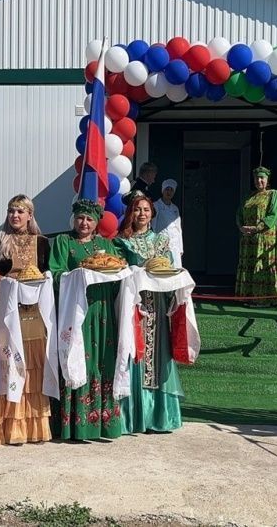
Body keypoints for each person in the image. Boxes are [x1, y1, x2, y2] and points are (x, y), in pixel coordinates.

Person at [0, 195, 53, 445]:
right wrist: (6, 281)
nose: (15, 216)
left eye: (21, 211)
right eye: (11, 211)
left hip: (33, 313)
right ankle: (3, 427)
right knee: (7, 362)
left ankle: (31, 428)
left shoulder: (42, 243)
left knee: (32, 366)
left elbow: (46, 274)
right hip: (8, 312)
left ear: (30, 215)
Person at [49, 199, 125, 440]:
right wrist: (77, 276)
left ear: (96, 222)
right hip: (76, 311)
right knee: (76, 357)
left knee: (102, 360)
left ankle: (104, 423)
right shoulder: (63, 242)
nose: (84, 223)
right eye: (80, 218)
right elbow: (55, 273)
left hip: (102, 310)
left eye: (90, 219)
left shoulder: (106, 245)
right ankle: (75, 424)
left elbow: (118, 272)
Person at [114, 192, 184, 433]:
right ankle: (132, 417)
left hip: (158, 305)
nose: (141, 214)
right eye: (137, 209)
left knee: (157, 353)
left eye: (145, 209)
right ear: (130, 213)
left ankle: (158, 417)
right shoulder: (122, 242)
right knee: (132, 350)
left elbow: (169, 270)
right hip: (132, 304)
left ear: (152, 213)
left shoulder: (161, 241)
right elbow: (118, 272)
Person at [234, 166, 277, 307]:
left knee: (262, 264)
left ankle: (264, 299)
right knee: (249, 265)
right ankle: (248, 297)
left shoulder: (273, 194)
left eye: (262, 178)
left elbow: (274, 215)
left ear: (267, 179)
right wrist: (241, 227)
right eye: (256, 178)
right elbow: (239, 213)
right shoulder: (249, 196)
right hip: (248, 239)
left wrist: (257, 228)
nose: (259, 180)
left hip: (265, 237)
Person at [152, 179, 184, 269]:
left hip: (175, 246)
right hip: (162, 244)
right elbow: (153, 226)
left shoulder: (175, 208)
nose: (169, 192)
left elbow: (178, 229)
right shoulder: (156, 205)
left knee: (176, 269)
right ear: (163, 191)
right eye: (167, 189)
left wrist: (180, 248)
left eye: (171, 190)